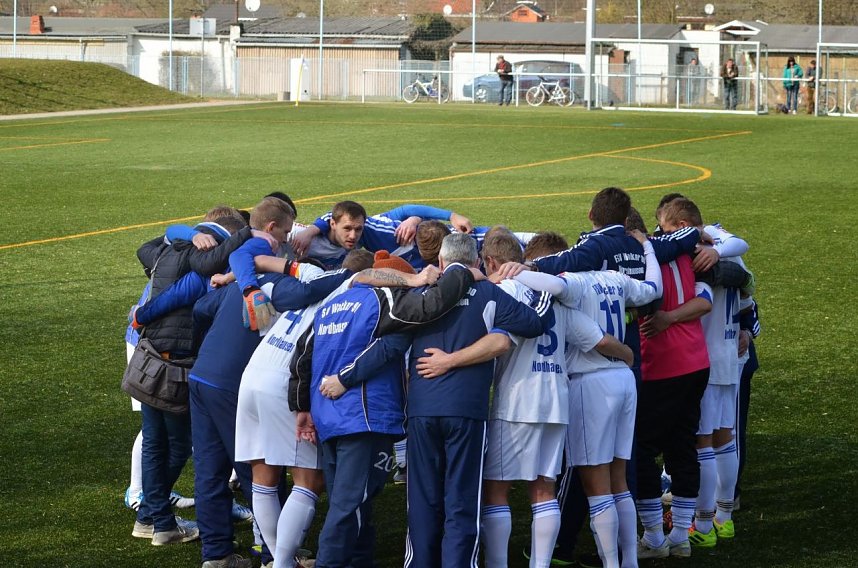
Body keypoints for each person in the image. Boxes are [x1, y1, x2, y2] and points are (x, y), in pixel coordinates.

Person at [415, 229, 633, 568]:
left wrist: (448, 359)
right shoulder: (555, 299)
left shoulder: (501, 291)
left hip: (516, 402)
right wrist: (628, 354)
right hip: (556, 401)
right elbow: (597, 339)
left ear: (489, 261)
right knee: (543, 489)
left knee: (495, 489)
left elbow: (499, 341)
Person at [292, 249, 478, 568]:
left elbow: (302, 355)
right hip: (363, 417)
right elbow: (411, 325)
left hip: (329, 417)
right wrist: (461, 272)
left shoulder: (331, 304)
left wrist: (301, 406)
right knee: (348, 508)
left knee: (352, 504)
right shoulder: (385, 302)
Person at [511, 227, 664, 568]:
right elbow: (655, 289)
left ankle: (612, 564)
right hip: (624, 381)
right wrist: (648, 251)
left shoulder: (575, 281)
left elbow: (553, 285)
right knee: (619, 480)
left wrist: (521, 270)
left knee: (597, 487)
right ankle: (629, 562)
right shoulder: (616, 279)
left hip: (590, 381)